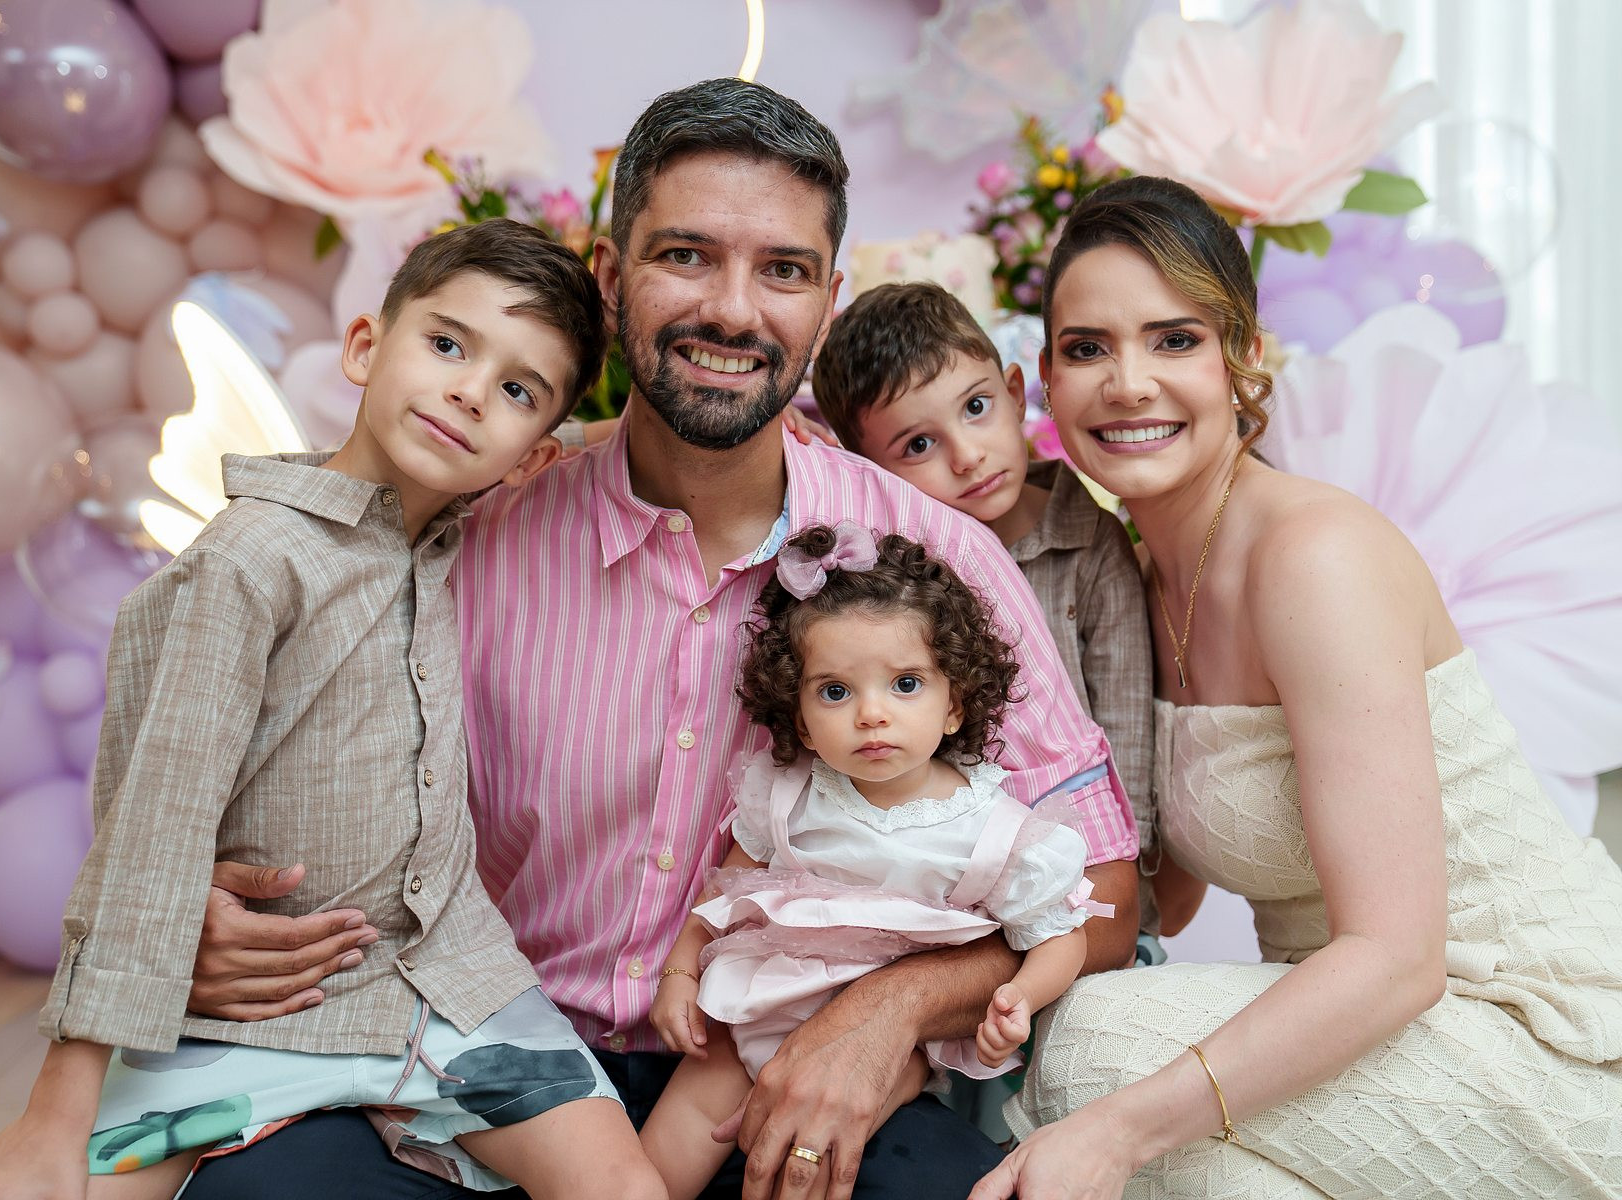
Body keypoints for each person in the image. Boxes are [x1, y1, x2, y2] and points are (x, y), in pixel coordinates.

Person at [177, 78, 1140, 1200]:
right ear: (609, 275)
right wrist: (200, 910)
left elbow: (1106, 900)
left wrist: (889, 1011)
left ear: (827, 303)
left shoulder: (937, 560)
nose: (733, 311)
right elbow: (256, 771)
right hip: (468, 1063)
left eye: (782, 270)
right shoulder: (468, 532)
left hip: (775, 1068)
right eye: (687, 255)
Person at [0, 220, 665, 1200]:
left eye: (516, 390)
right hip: (260, 1011)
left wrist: (731, 428)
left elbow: (563, 452)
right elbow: (151, 835)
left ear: (527, 452)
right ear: (365, 347)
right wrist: (54, 1113)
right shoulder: (248, 565)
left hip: (449, 984)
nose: (469, 392)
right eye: (446, 345)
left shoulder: (456, 526)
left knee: (624, 1187)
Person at [969, 175, 1622, 1200]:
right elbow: (1159, 899)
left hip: (1536, 1033)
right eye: (1088, 349)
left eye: (1175, 340)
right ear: (1043, 379)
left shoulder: (1315, 557)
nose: (1128, 383)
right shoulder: (1132, 584)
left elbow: (1399, 958)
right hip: (1368, 1034)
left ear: (1243, 356)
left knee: (1099, 1051)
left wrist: (1116, 1133)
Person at [641, 524, 1106, 1199]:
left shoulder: (996, 833)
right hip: (756, 1003)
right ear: (802, 722)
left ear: (955, 704)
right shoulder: (789, 793)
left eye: (905, 684)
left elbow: (1060, 935)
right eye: (835, 692)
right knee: (655, 1166)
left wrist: (1020, 999)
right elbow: (729, 887)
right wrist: (682, 970)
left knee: (809, 1172)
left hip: (882, 1054)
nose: (871, 714)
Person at [812, 282, 1159, 962]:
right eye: (919, 444)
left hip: (1079, 876)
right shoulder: (892, 578)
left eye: (976, 408)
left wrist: (1127, 895)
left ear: (1015, 391)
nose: (967, 455)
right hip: (936, 883)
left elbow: (1126, 736)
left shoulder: (1090, 545)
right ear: (869, 470)